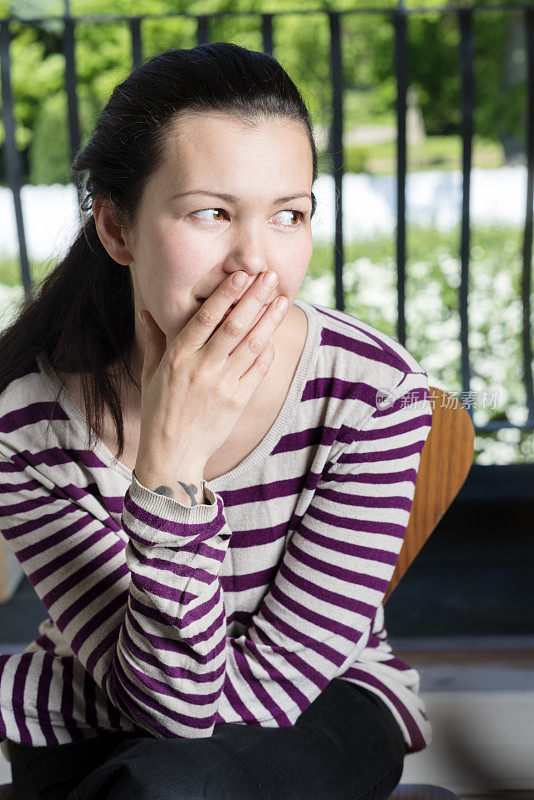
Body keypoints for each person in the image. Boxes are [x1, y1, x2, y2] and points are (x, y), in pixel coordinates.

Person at [0, 42, 433, 800]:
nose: (255, 265)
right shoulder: (26, 422)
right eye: (211, 213)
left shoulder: (374, 393)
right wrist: (172, 469)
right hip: (92, 718)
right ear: (116, 229)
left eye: (289, 215)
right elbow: (167, 706)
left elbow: (266, 697)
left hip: (320, 707)